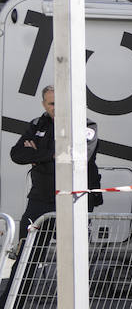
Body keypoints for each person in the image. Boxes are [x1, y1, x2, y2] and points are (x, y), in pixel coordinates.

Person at [9, 86, 101, 252]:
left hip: (74, 198)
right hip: (40, 198)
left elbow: (76, 159)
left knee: (72, 256)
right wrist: (51, 155)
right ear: (44, 104)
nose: (56, 107)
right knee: (26, 253)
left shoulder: (86, 125)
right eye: (52, 103)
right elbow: (16, 155)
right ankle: (22, 280)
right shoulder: (37, 125)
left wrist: (36, 154)